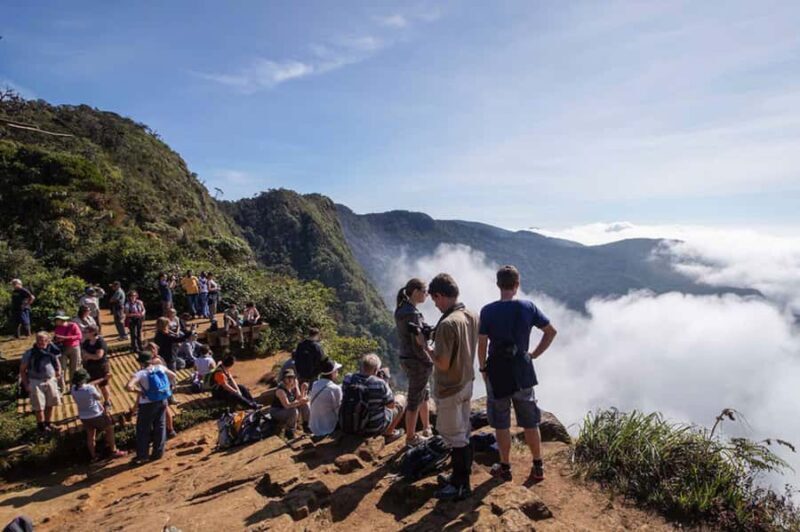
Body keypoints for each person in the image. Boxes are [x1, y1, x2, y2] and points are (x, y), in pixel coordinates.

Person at [478, 265, 557, 483]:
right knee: (530, 421)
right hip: (522, 369)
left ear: (498, 285)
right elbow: (551, 332)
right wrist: (533, 355)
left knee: (501, 422)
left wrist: (483, 368)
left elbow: (482, 343)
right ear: (517, 284)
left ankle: (505, 468)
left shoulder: (487, 311)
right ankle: (538, 466)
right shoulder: (528, 307)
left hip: (497, 371)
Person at [428, 273, 479, 501]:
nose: (436, 305)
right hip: (467, 382)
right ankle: (459, 479)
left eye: (435, 300)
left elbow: (442, 363)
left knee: (455, 437)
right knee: (464, 432)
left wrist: (424, 347)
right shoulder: (470, 315)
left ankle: (460, 484)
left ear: (440, 295)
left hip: (451, 387)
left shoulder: (447, 324)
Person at [395, 278, 434, 447]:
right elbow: (418, 342)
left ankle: (426, 428)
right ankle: (411, 437)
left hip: (405, 356)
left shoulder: (401, 309)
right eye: (425, 291)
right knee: (414, 398)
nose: (426, 295)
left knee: (423, 392)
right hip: (416, 359)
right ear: (416, 292)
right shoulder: (413, 313)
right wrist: (428, 359)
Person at [126, 351, 177, 464]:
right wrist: (166, 388)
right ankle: (158, 453)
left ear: (141, 362)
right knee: (160, 425)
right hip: (162, 399)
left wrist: (139, 391)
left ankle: (143, 456)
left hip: (147, 404)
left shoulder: (141, 373)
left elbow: (128, 387)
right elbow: (173, 375)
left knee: (143, 430)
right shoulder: (160, 367)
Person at [340, 353, 405, 440]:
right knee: (401, 399)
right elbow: (391, 405)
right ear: (376, 370)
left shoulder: (348, 378)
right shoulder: (379, 383)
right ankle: (389, 433)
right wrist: (385, 381)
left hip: (347, 425)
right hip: (371, 429)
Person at [71, 368, 127, 461]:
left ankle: (94, 456)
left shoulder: (73, 388)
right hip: (96, 414)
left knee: (90, 436)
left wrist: (103, 379)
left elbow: (88, 385)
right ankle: (114, 451)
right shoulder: (90, 388)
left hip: (84, 416)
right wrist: (97, 388)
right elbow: (99, 397)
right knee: (109, 428)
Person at [19, 332, 62, 433]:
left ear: (48, 341)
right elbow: (22, 370)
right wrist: (26, 384)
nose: (40, 342)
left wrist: (58, 371)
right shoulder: (30, 353)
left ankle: (48, 424)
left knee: (50, 404)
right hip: (35, 382)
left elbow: (57, 362)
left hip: (50, 380)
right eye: (39, 340)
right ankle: (41, 428)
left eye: (43, 340)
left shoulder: (51, 351)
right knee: (39, 407)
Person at [270, 368, 310, 439]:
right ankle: (289, 432)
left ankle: (306, 426)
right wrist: (300, 401)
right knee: (294, 411)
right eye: (288, 377)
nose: (290, 379)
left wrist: (303, 390)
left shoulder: (295, 383)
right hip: (277, 411)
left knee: (305, 404)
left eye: (292, 377)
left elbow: (299, 398)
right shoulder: (280, 390)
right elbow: (287, 405)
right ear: (284, 379)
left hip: (289, 407)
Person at [308, 358, 343, 438]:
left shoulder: (315, 384)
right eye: (336, 370)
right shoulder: (335, 389)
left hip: (314, 427)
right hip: (329, 428)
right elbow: (339, 412)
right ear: (332, 373)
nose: (337, 372)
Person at [81, 325, 112, 407]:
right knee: (91, 385)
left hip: (100, 367)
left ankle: (107, 402)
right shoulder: (86, 341)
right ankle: (96, 401)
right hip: (89, 366)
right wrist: (89, 356)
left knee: (103, 385)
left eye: (86, 332)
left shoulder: (100, 342)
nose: (84, 333)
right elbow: (83, 352)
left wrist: (88, 355)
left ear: (93, 332)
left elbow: (98, 356)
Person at [53, 312, 82, 388]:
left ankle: (74, 387)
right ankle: (61, 387)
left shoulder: (73, 325)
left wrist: (65, 338)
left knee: (74, 367)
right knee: (61, 368)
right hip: (63, 349)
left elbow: (79, 336)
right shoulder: (57, 328)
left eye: (56, 320)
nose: (55, 321)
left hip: (74, 348)